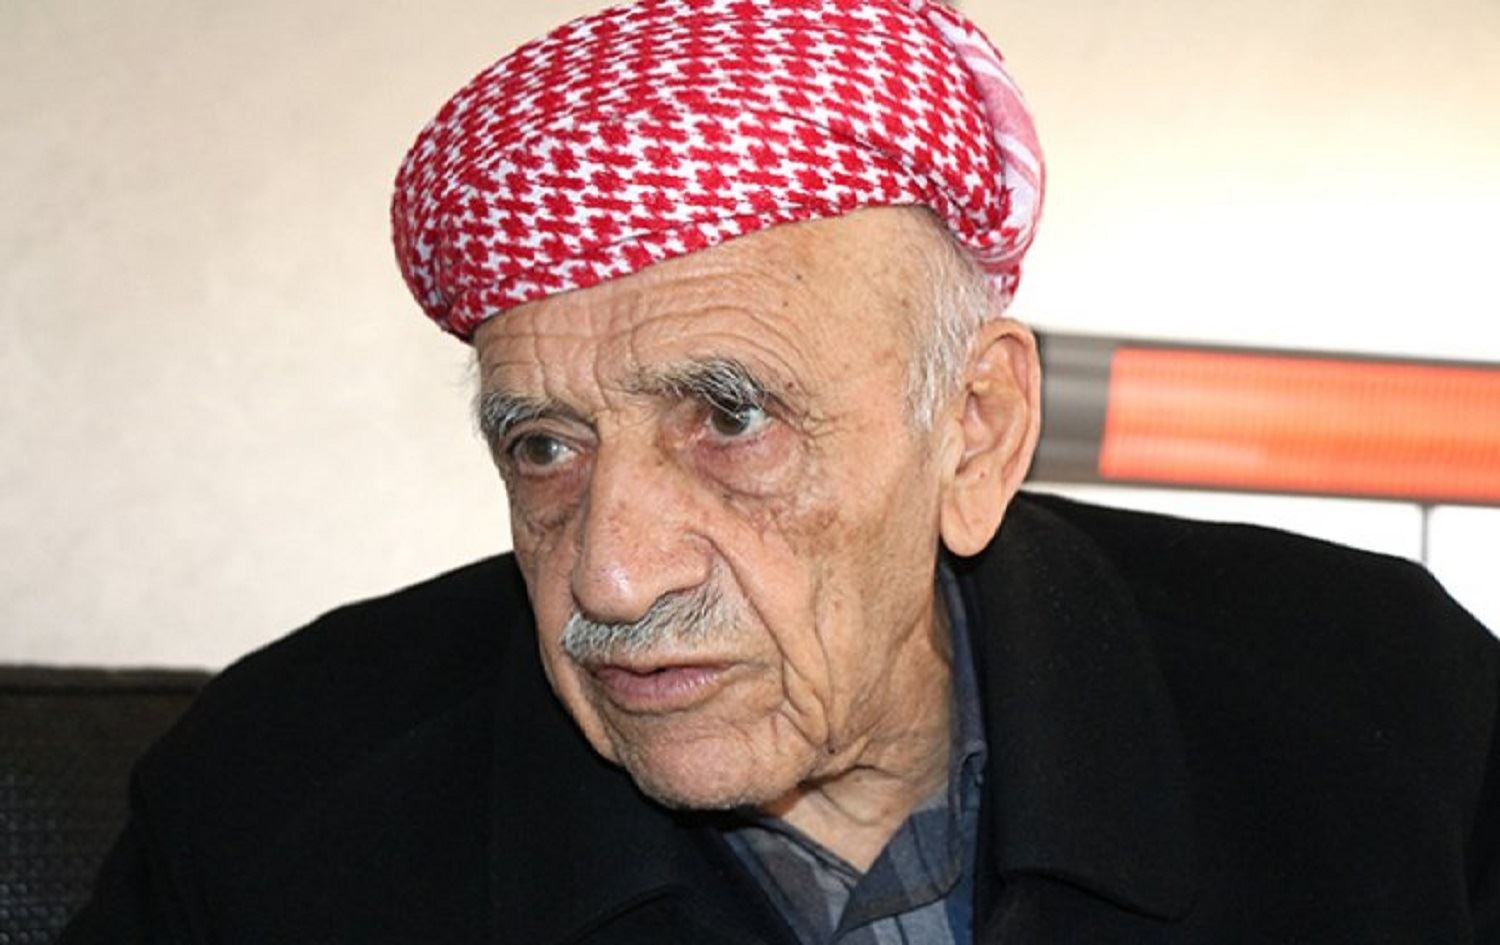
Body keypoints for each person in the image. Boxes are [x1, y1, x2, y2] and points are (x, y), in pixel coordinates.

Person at [63, 0, 1499, 941]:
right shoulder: (272, 811)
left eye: (730, 418)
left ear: (976, 430)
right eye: (546, 444)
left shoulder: (1393, 714)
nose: (610, 572)